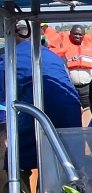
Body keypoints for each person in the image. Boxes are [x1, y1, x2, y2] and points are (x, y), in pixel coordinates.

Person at [0, 24, 81, 173]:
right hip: (72, 115)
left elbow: (2, 102)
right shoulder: (53, 56)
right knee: (63, 162)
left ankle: (18, 190)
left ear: (10, 38)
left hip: (44, 112)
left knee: (14, 160)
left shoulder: (8, 58)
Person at [62, 25, 92, 113]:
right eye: (75, 34)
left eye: (80, 34)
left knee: (91, 113)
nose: (77, 36)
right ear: (70, 34)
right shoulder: (64, 51)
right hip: (71, 88)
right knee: (71, 113)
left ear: (83, 36)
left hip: (87, 89)